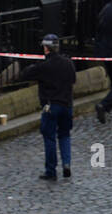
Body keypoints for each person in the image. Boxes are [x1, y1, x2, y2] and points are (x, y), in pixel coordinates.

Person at [17, 34, 77, 181]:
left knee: (49, 137)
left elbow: (24, 74)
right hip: (67, 104)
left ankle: (51, 170)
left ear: (45, 48)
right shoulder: (68, 63)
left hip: (51, 106)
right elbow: (73, 80)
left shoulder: (43, 66)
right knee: (65, 135)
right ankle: (67, 164)